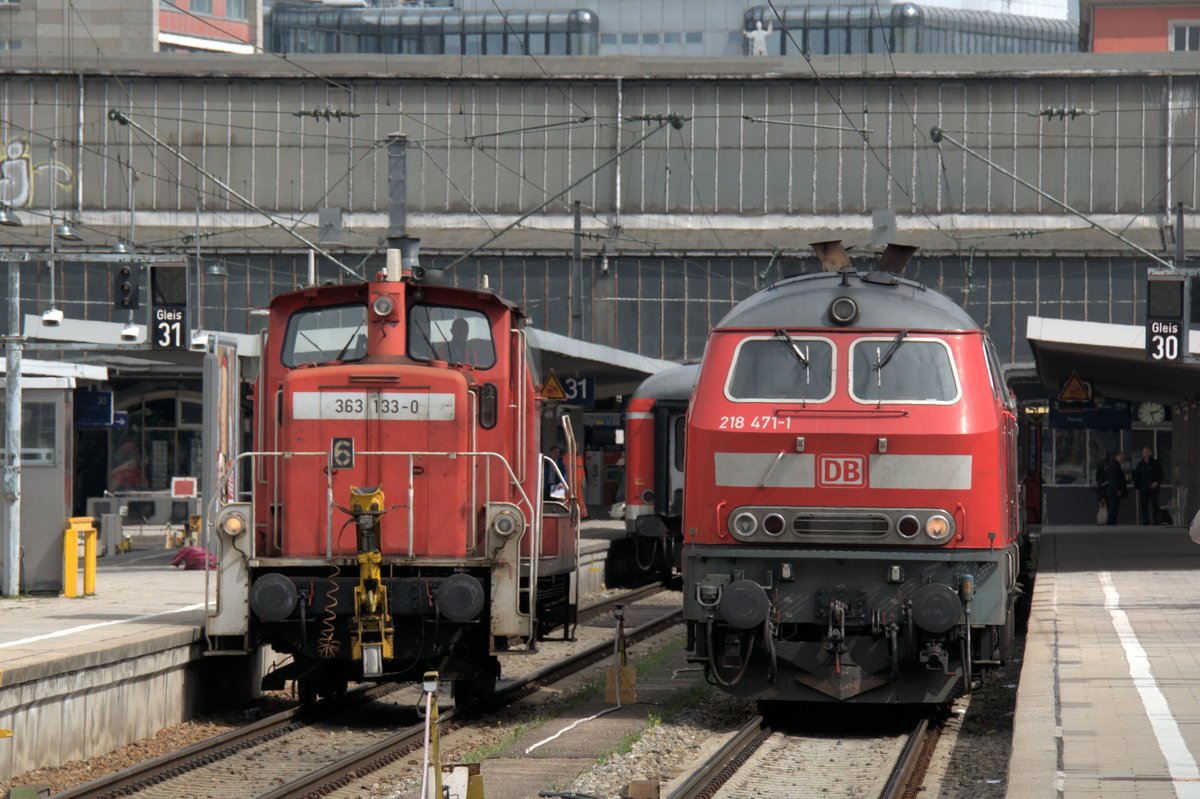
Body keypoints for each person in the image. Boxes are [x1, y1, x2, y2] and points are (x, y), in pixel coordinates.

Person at [1133, 446, 1163, 526]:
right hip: (1144, 488)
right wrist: (1137, 488)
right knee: (1144, 506)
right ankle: (1146, 521)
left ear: (1150, 453)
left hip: (1154, 488)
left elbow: (1160, 474)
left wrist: (1156, 482)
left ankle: (1156, 521)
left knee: (1155, 505)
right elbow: (1137, 477)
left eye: (1147, 452)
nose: (1146, 454)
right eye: (1144, 452)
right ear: (1142, 454)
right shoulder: (1140, 465)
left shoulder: (1155, 463)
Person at [1104, 451, 1128, 525]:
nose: (1122, 459)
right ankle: (1109, 522)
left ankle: (1112, 522)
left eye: (1123, 458)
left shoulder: (1116, 465)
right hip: (1113, 491)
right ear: (1116, 457)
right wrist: (1117, 489)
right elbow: (1114, 479)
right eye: (1121, 457)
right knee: (1113, 508)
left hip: (1113, 491)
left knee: (1115, 507)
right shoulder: (1114, 466)